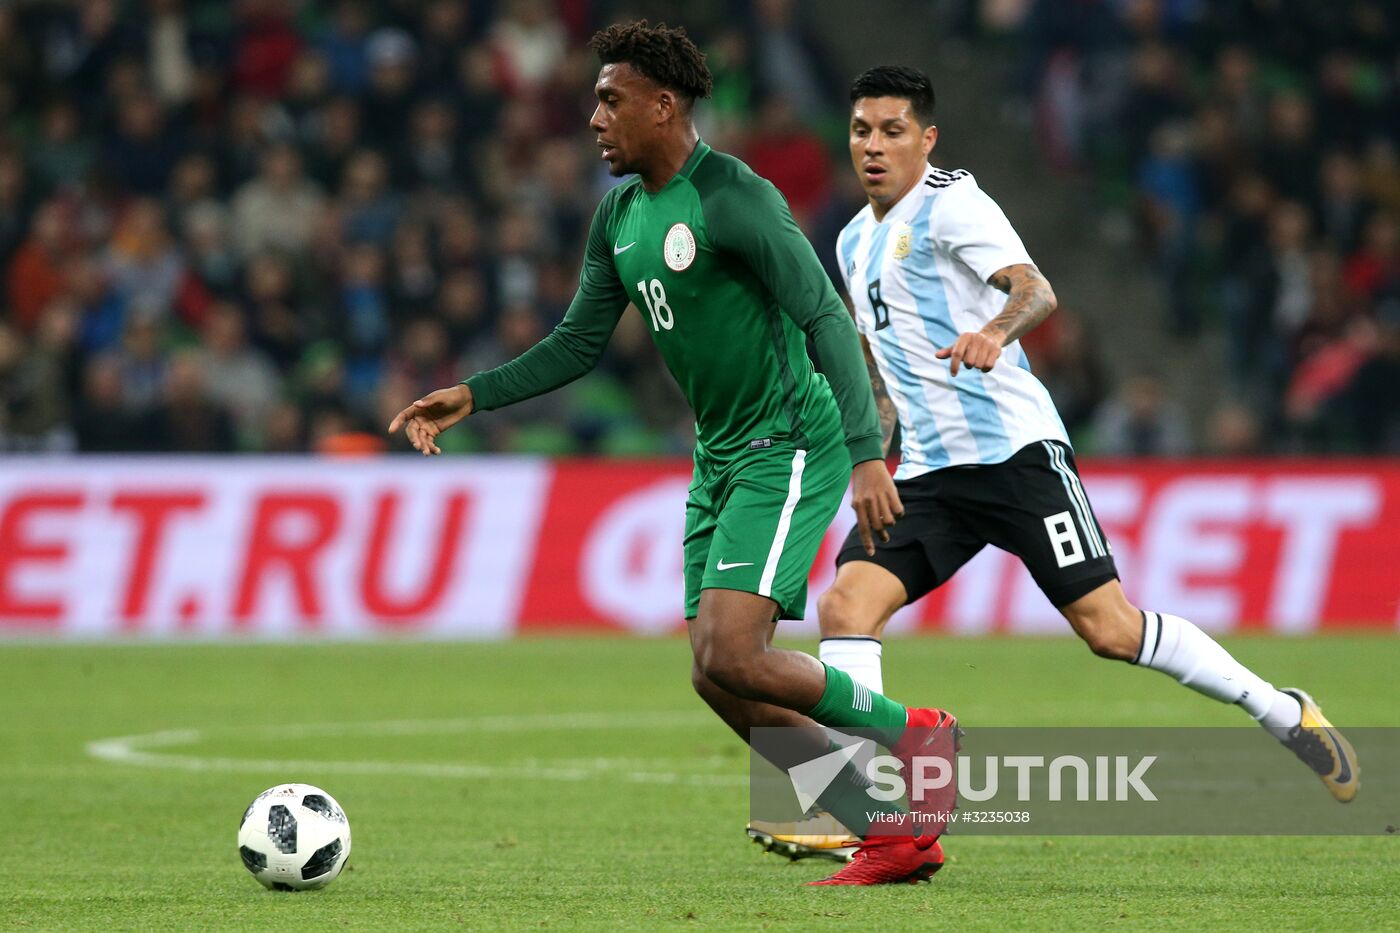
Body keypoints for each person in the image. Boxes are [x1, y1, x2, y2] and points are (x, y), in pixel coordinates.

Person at [390, 23, 954, 886]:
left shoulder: (734, 196)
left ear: (664, 105)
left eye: (610, 100)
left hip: (789, 442)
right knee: (716, 675)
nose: (594, 118)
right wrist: (475, 393)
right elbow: (577, 343)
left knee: (731, 650)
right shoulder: (620, 212)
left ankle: (912, 732)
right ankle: (886, 827)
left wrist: (865, 452)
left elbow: (825, 317)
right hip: (720, 455)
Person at [751, 65, 1359, 864]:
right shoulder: (853, 239)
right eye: (862, 129)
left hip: (1016, 457)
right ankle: (865, 811)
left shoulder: (953, 203)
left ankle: (1282, 711)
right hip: (929, 475)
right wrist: (875, 448)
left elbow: (1036, 290)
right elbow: (884, 367)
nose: (873, 145)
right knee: (844, 608)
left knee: (1110, 629)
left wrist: (996, 333)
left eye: (893, 130)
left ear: (925, 139)